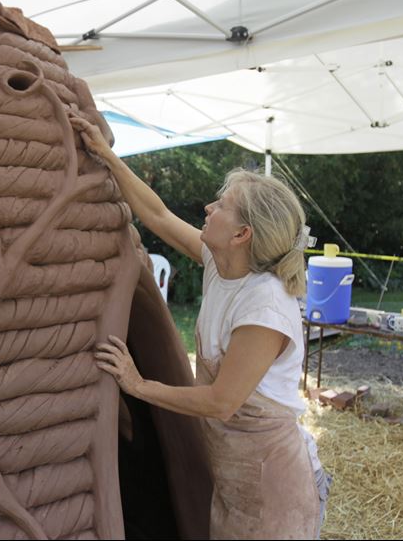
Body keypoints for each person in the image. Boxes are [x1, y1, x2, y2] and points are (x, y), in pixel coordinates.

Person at [69, 114, 331, 540]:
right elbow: (157, 215)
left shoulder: (265, 305)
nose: (209, 208)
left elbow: (221, 401)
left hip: (274, 487)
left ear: (242, 234)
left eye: (221, 205)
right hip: (232, 478)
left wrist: (138, 385)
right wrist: (105, 154)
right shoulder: (221, 265)